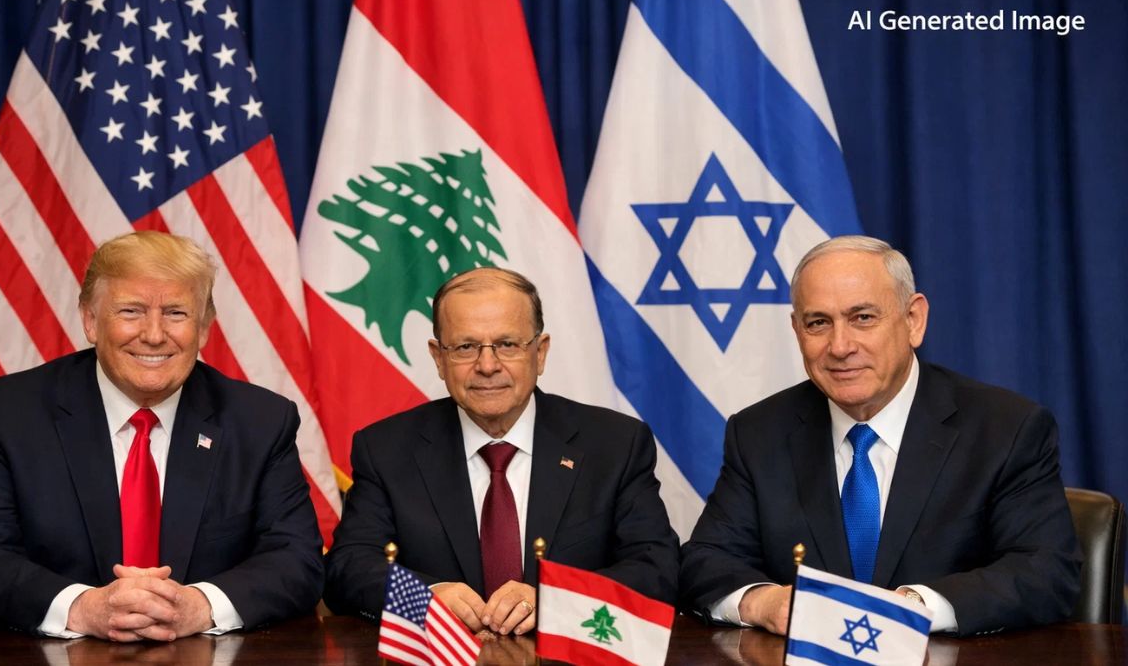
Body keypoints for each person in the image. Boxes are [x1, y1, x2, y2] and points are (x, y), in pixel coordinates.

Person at [679, 235, 1081, 636]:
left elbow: (1045, 572)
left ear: (913, 320)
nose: (840, 346)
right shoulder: (760, 433)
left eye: (863, 318)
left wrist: (913, 608)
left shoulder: (1005, 428)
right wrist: (765, 603)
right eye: (818, 323)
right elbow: (705, 561)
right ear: (797, 330)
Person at [0, 231, 323, 641]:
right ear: (91, 321)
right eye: (131, 311)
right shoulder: (5, 416)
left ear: (204, 328)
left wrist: (201, 606)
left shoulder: (260, 422)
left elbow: (297, 560)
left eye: (176, 313)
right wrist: (82, 608)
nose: (154, 335)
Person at [323, 268, 678, 636]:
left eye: (507, 344)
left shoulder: (614, 444)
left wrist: (557, 602)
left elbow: (656, 568)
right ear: (439, 358)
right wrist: (421, 598)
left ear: (540, 353)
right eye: (465, 347)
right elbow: (347, 567)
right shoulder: (386, 449)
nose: (488, 366)